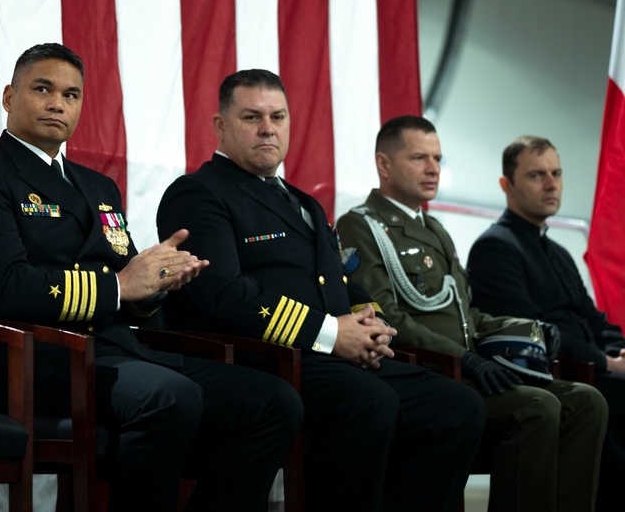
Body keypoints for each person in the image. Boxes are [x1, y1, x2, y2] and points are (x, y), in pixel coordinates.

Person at [0, 44, 301, 512]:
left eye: (71, 95)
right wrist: (120, 287)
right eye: (43, 89)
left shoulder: (97, 186)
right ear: (9, 97)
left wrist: (159, 281)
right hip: (41, 357)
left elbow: (130, 285)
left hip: (115, 350)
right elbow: (6, 287)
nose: (58, 103)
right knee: (170, 396)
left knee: (275, 401)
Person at [156, 70, 484, 512]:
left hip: (331, 355)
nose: (268, 127)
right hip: (267, 357)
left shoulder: (303, 202)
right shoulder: (198, 193)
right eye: (252, 116)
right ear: (220, 125)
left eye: (278, 116)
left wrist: (373, 326)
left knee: (456, 406)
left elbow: (345, 284)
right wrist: (332, 333)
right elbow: (222, 296)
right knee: (369, 400)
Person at [335, 116, 608, 512]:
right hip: (428, 372)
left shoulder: (434, 229)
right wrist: (464, 358)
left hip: (469, 367)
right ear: (384, 164)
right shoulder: (361, 226)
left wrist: (531, 330)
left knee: (587, 400)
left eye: (438, 159)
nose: (432, 169)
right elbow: (388, 318)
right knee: (537, 407)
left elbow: (467, 313)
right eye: (419, 158)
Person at [466, 135, 625, 512]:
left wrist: (619, 348)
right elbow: (530, 333)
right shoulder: (495, 247)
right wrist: (607, 363)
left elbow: (592, 319)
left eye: (556, 173)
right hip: (557, 372)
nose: (552, 184)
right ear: (507, 185)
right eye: (537, 175)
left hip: (591, 368)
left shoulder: (559, 252)